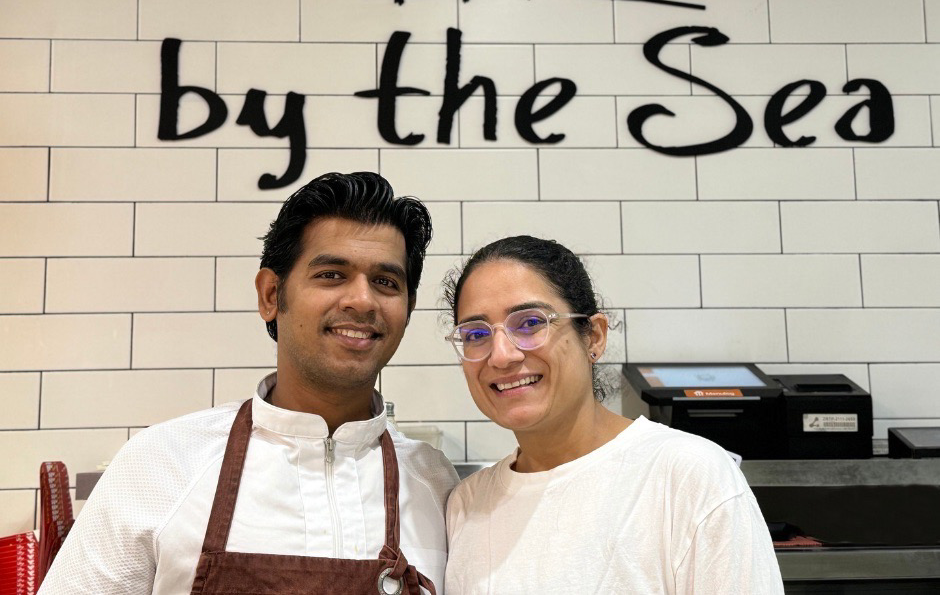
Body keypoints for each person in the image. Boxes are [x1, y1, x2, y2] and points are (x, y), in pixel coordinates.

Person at [40, 172, 457, 595]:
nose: (362, 300)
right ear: (271, 295)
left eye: (386, 282)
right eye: (331, 274)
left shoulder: (436, 485)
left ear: (407, 309)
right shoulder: (160, 464)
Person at [441, 235, 784, 594]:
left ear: (594, 337)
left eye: (530, 323)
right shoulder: (467, 504)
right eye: (476, 334)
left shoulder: (687, 475)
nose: (501, 355)